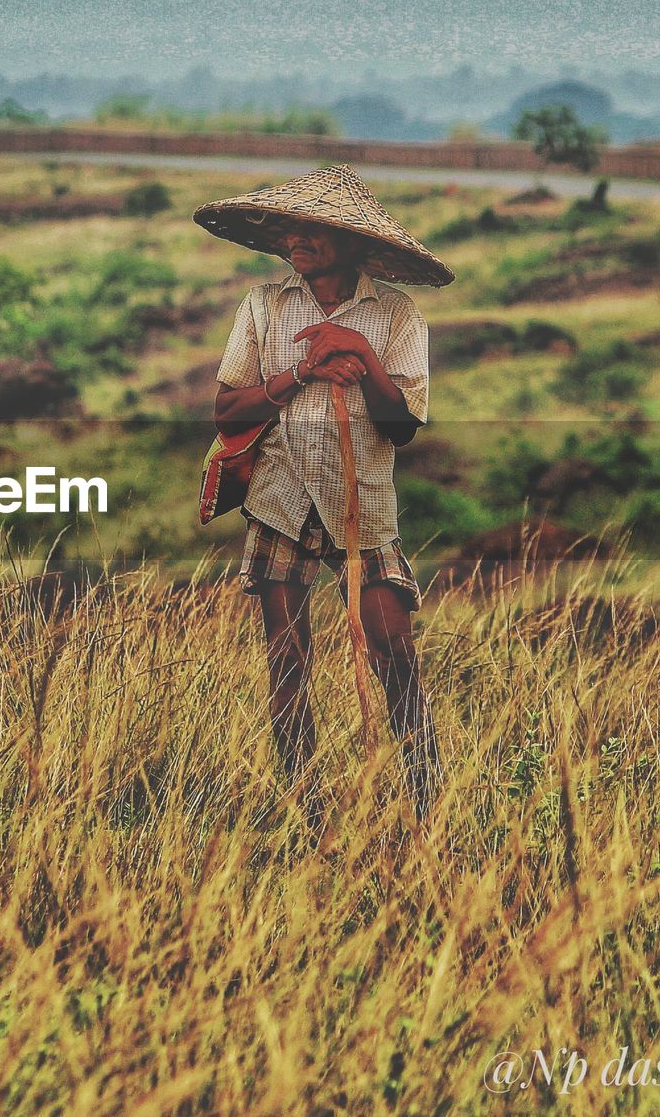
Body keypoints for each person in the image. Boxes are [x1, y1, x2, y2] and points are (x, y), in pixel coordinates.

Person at [193, 164, 453, 826]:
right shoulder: (265, 306)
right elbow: (228, 411)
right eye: (293, 230)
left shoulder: (394, 313)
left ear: (352, 243)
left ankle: (430, 802)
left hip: (362, 506)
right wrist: (301, 372)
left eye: (314, 230)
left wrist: (363, 360)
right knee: (287, 656)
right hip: (281, 500)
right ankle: (308, 810)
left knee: (392, 647)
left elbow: (401, 428)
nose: (297, 240)